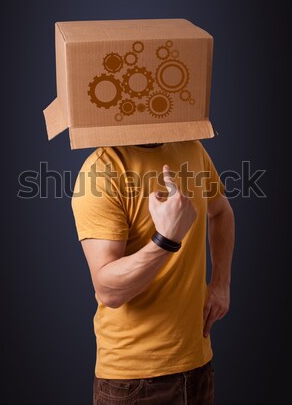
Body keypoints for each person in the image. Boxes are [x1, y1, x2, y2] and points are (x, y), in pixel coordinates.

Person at [72, 139, 235, 405]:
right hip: (133, 381)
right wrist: (166, 239)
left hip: (197, 366)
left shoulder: (191, 148)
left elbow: (221, 211)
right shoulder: (101, 170)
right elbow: (108, 290)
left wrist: (221, 283)